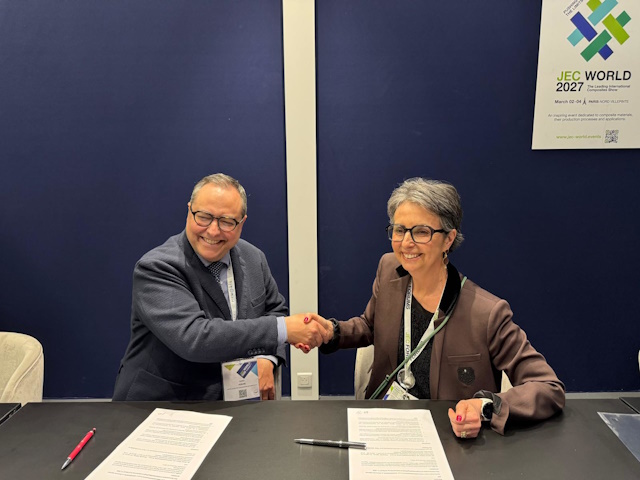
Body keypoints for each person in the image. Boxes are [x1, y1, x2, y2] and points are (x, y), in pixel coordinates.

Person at [314, 178, 565, 437]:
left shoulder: (487, 313)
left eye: (421, 232)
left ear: (448, 239)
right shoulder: (388, 269)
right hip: (384, 424)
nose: (406, 242)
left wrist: (484, 406)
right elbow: (370, 325)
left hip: (448, 437)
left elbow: (548, 387)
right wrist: (331, 331)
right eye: (399, 230)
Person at [113, 173, 332, 401]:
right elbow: (195, 338)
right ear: (189, 211)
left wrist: (267, 358)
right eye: (203, 217)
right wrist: (284, 330)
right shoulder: (157, 267)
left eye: (227, 221)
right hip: (163, 404)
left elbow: (274, 310)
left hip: (235, 405)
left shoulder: (254, 257)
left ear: (242, 222)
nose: (213, 231)